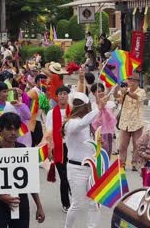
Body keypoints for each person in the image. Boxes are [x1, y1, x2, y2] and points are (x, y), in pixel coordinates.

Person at [0, 112, 45, 228]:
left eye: (16, 129)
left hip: (21, 203)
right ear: (0, 130)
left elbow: (31, 182)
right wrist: (0, 195)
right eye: (9, 129)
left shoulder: (23, 149)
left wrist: (39, 206)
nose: (13, 133)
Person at [63, 92, 104, 228]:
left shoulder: (87, 124)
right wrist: (99, 109)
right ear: (84, 107)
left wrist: (97, 143)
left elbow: (86, 145)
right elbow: (81, 124)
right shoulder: (71, 123)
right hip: (76, 169)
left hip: (91, 168)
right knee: (77, 204)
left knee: (95, 203)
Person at [45, 85, 71, 213]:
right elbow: (49, 132)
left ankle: (72, 195)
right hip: (58, 147)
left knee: (71, 176)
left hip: (72, 147)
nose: (62, 96)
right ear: (57, 96)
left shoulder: (73, 111)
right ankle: (66, 203)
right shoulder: (51, 113)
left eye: (65, 93)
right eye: (60, 93)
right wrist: (49, 150)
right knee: (64, 177)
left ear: (68, 96)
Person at [115, 72, 146, 170]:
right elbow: (117, 96)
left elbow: (137, 97)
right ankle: (122, 163)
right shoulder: (124, 90)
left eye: (134, 81)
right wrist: (116, 87)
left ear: (137, 82)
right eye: (129, 80)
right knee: (122, 145)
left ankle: (135, 163)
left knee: (137, 144)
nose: (131, 82)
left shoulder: (141, 91)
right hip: (125, 121)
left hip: (137, 121)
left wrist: (127, 93)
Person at [91, 83, 117, 157]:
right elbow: (92, 122)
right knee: (99, 155)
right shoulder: (92, 106)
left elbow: (111, 120)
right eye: (98, 91)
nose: (101, 93)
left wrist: (104, 106)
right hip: (98, 133)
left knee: (107, 155)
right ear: (93, 93)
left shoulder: (110, 105)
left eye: (102, 91)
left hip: (108, 133)